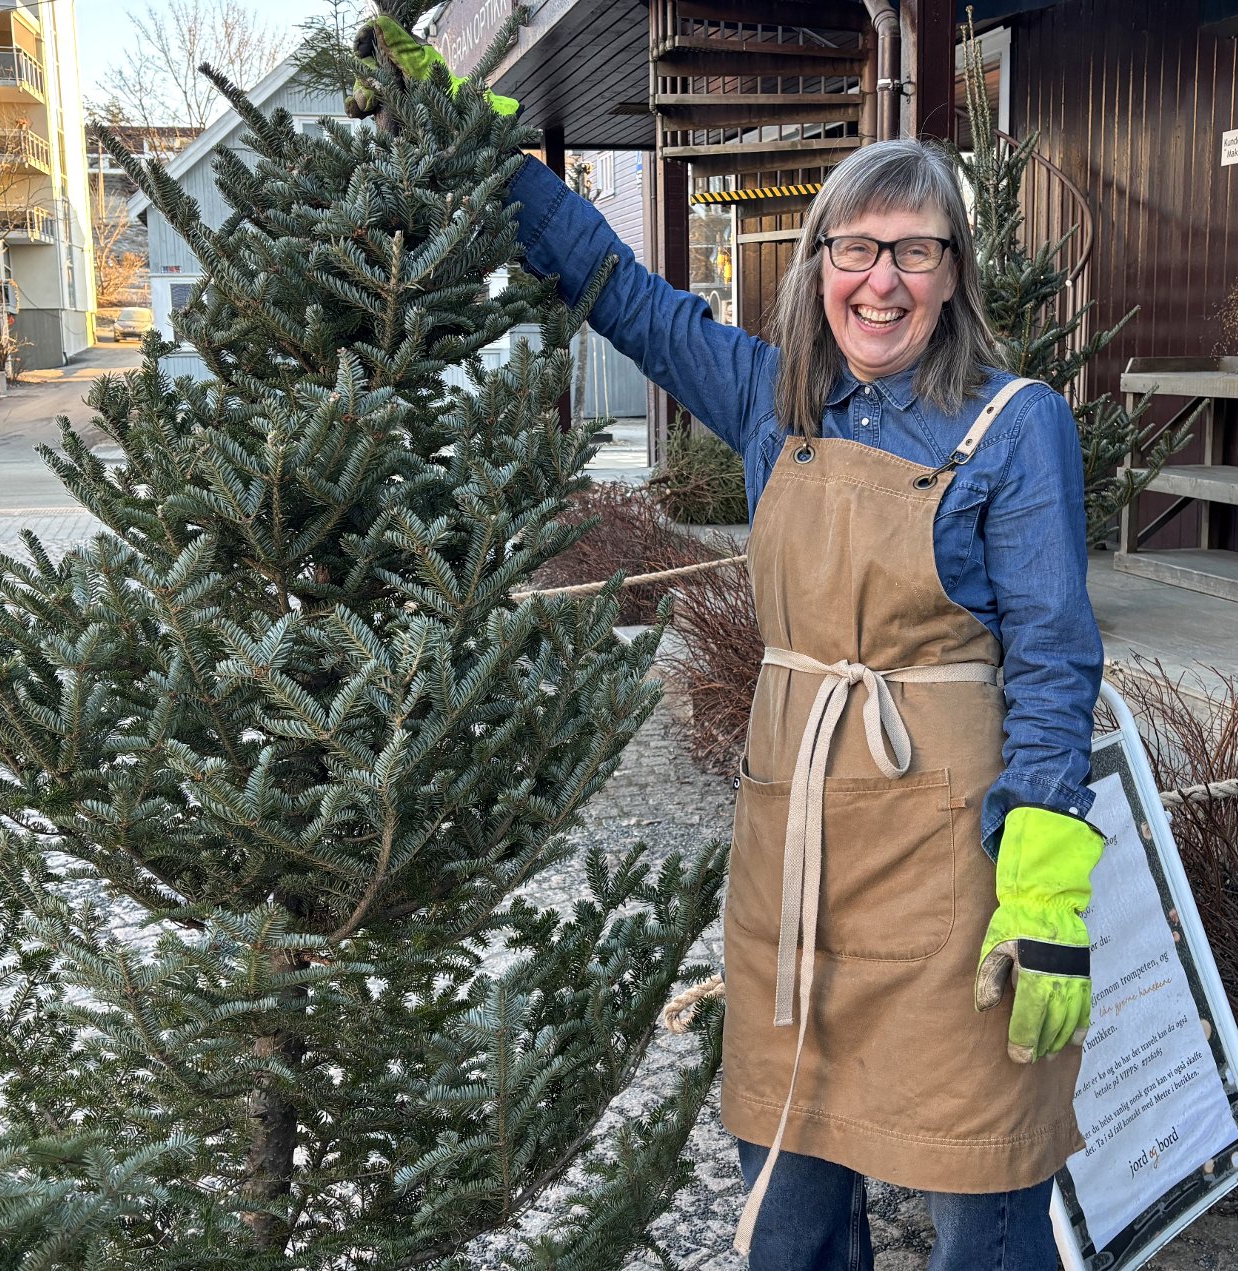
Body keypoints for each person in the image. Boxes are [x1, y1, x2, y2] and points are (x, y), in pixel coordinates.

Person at [367, 21, 1106, 1269]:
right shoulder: (776, 403)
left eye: (914, 250)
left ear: (953, 274)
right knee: (790, 1157)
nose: (881, 281)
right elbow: (620, 291)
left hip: (952, 864)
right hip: (794, 844)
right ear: (818, 265)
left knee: (978, 1181)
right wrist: (479, 148)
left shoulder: (1014, 424)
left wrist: (1042, 886)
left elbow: (1051, 658)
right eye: (855, 248)